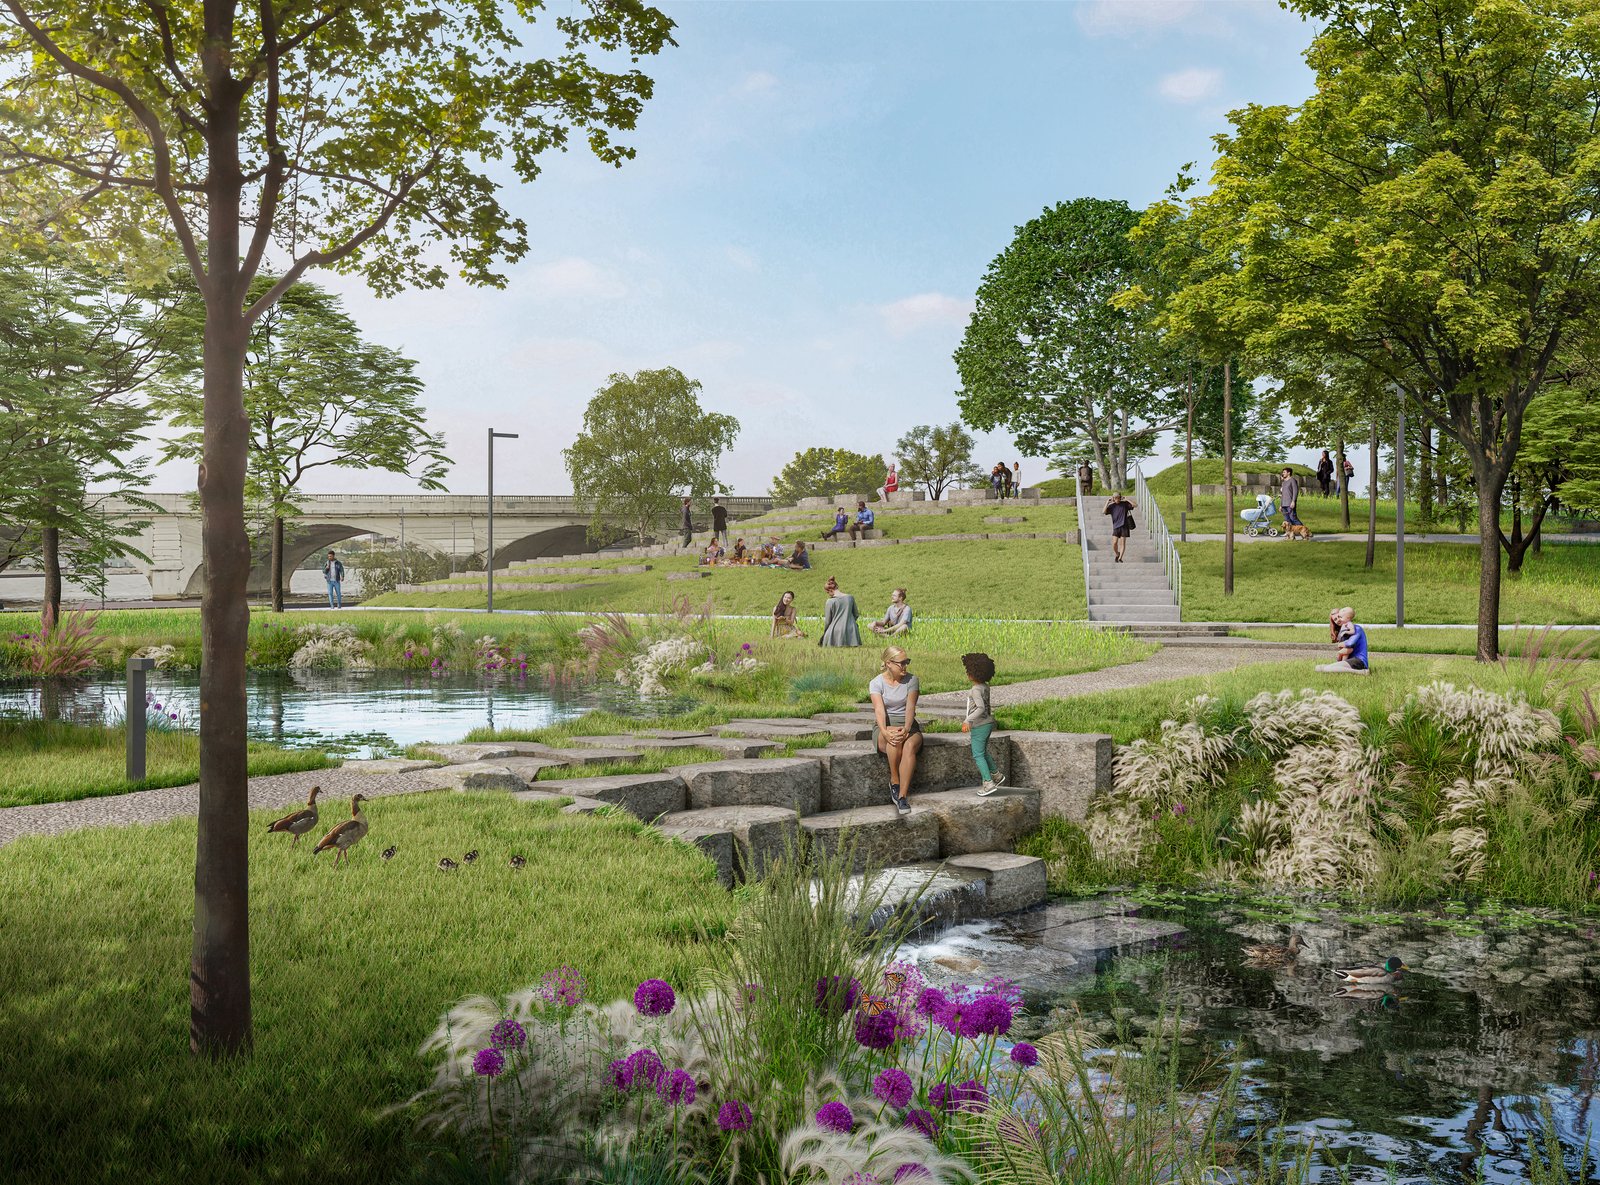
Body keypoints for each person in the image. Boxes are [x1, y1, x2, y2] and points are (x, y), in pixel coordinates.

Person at [870, 645, 921, 814]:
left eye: (907, 662)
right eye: (902, 663)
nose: (905, 666)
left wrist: (906, 728)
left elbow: (910, 707)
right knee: (894, 738)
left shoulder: (912, 680)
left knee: (909, 746)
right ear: (888, 663)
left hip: (908, 725)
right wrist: (884, 731)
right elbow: (879, 710)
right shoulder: (876, 683)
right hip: (885, 724)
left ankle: (902, 796)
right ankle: (894, 780)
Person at [960, 651, 1004, 796]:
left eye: (968, 671)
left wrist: (968, 720)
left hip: (979, 725)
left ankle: (988, 783)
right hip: (988, 723)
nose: (967, 674)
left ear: (973, 674)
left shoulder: (975, 690)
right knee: (983, 752)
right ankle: (996, 775)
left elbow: (981, 708)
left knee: (977, 755)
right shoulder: (985, 686)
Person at [1317, 607, 1371, 674]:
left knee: (1327, 669)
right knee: (1319, 668)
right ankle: (1339, 668)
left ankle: (1361, 672)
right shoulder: (1343, 632)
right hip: (1348, 661)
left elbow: (1349, 644)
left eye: (1339, 617)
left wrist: (1339, 645)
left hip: (1359, 661)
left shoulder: (1357, 628)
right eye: (1335, 620)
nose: (1337, 621)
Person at [818, 576, 861, 647]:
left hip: (835, 633)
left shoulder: (830, 601)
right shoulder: (850, 598)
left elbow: (828, 621)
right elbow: (856, 614)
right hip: (851, 632)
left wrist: (825, 633)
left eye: (828, 593)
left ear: (830, 591)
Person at [1104, 491, 1133, 562]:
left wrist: (1127, 499)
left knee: (1122, 543)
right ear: (1113, 498)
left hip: (1124, 526)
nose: (1117, 499)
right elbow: (1104, 512)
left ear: (1120, 497)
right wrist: (1107, 502)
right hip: (1116, 527)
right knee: (1114, 543)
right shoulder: (1112, 506)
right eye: (1115, 498)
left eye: (1118, 497)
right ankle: (1117, 554)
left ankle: (1120, 558)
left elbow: (1135, 505)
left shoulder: (1125, 504)